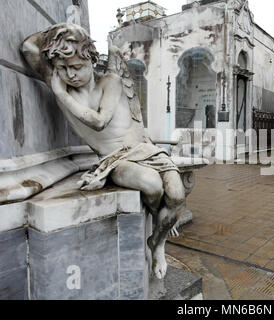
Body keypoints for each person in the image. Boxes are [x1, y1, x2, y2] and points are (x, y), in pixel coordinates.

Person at [21, 23, 185, 279]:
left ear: (91, 60)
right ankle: (158, 230)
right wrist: (60, 35)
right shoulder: (61, 84)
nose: (70, 75)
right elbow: (29, 48)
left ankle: (158, 241)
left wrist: (59, 92)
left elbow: (99, 120)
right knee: (151, 185)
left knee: (176, 195)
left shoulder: (111, 81)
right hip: (115, 159)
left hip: (145, 149)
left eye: (76, 67)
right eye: (63, 69)